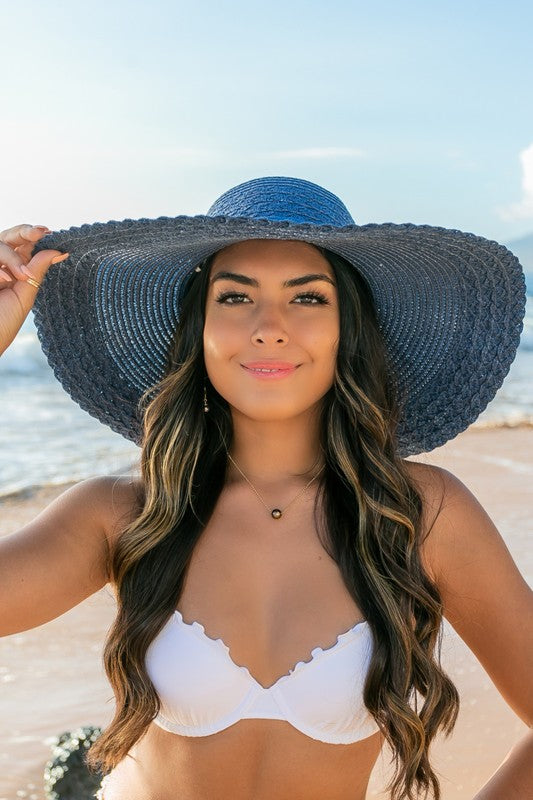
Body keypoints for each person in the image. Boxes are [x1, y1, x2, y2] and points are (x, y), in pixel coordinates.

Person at [0, 176, 531, 800]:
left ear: (348, 328)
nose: (269, 327)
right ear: (198, 327)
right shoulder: (123, 514)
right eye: (234, 298)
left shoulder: (420, 514)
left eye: (307, 299)